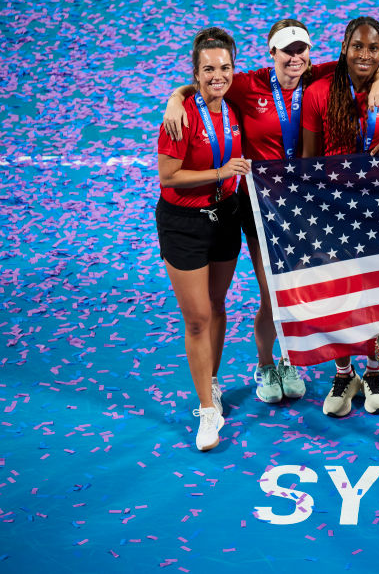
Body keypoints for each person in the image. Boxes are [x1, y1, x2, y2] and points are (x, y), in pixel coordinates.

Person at [160, 20, 379, 407]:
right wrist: (174, 96)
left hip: (305, 206)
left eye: (301, 50)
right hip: (259, 204)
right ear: (272, 53)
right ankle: (267, 364)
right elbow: (204, 84)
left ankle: (289, 360)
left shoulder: (319, 77)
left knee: (299, 290)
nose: (295, 57)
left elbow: (368, 59)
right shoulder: (248, 84)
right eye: (286, 51)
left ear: (309, 54)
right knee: (271, 294)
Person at [300, 16, 379, 418]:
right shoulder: (317, 93)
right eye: (358, 46)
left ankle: (375, 371)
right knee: (342, 295)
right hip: (337, 212)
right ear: (345, 47)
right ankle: (344, 373)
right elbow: (309, 160)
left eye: (373, 48)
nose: (365, 54)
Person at [156, 27, 249, 451]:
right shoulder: (180, 117)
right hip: (185, 223)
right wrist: (220, 173)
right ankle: (207, 411)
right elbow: (168, 176)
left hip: (225, 217)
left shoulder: (233, 106)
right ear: (195, 74)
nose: (218, 75)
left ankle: (209, 380)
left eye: (225, 67)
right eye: (208, 69)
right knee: (196, 318)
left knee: (217, 305)